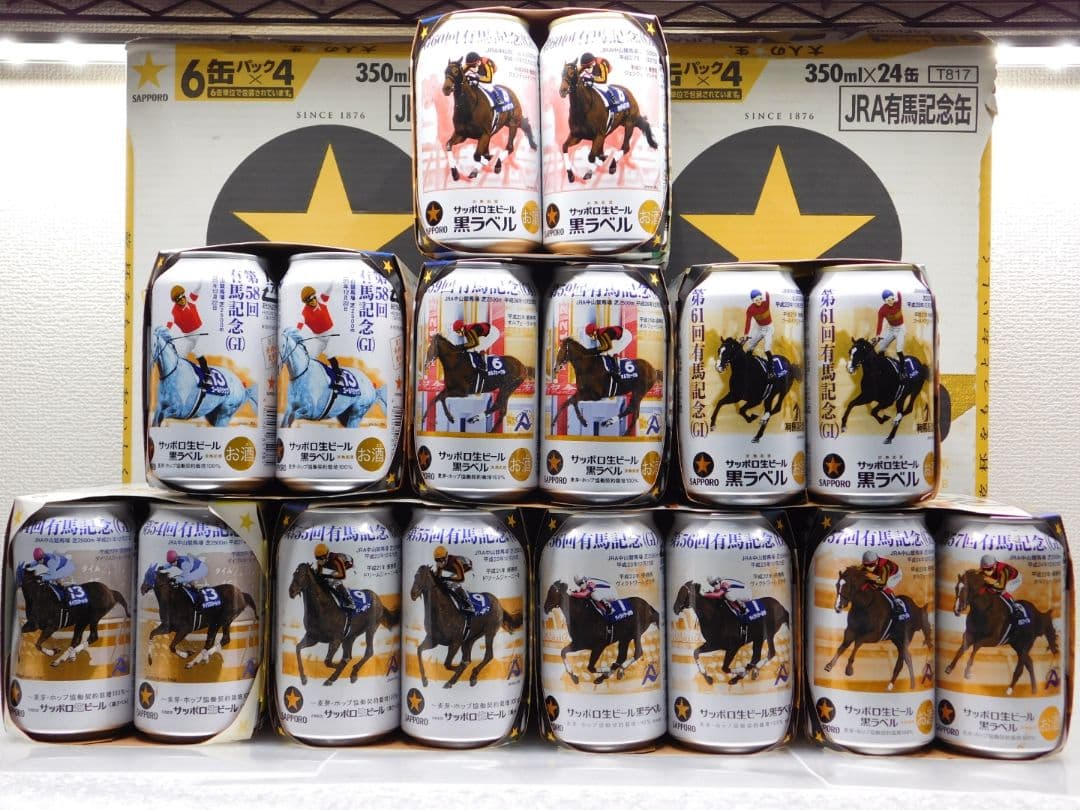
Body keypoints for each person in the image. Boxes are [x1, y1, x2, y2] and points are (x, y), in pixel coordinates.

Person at [297, 284, 345, 391]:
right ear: (306, 302)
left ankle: (339, 378)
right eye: (309, 300)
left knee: (329, 353)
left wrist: (332, 282)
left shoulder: (321, 300)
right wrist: (295, 335)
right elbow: (299, 325)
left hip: (331, 334)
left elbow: (328, 290)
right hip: (319, 338)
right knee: (311, 357)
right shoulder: (304, 313)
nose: (313, 301)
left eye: (313, 297)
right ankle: (312, 379)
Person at [166, 284, 213, 392]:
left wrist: (200, 282)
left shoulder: (190, 300)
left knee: (197, 351)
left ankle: (208, 377)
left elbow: (196, 290)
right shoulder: (173, 312)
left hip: (200, 333)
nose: (182, 300)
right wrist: (165, 333)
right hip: (188, 337)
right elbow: (169, 324)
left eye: (183, 297)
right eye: (179, 300)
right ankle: (181, 378)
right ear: (176, 302)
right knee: (181, 356)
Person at [875, 289, 913, 377]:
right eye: (888, 300)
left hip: (901, 329)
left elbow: (899, 295)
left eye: (892, 299)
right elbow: (880, 323)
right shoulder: (882, 310)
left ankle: (902, 371)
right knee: (881, 348)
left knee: (899, 350)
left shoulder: (897, 303)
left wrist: (898, 290)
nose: (891, 302)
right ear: (885, 301)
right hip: (891, 329)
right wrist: (878, 335)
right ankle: (881, 367)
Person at [979, 554, 1026, 622]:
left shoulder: (1003, 570)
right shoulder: (989, 566)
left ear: (995, 565)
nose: (986, 571)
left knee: (1003, 591)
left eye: (989, 569)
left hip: (1015, 580)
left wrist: (989, 586)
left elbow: (1000, 587)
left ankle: (1016, 609)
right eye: (984, 569)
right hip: (1001, 578)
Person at [860, 550, 906, 618]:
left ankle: (898, 605)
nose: (868, 568)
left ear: (876, 561)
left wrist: (869, 581)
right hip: (882, 574)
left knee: (885, 587)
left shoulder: (884, 567)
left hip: (895, 575)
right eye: (866, 565)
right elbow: (858, 569)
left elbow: (882, 583)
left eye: (871, 565)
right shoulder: (870, 563)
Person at [743, 289, 776, 380]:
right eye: (756, 300)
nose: (759, 301)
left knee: (767, 348)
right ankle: (746, 366)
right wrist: (746, 333)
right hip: (759, 327)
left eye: (760, 299)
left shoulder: (766, 303)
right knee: (750, 346)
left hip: (769, 328)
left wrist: (766, 290)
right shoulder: (750, 309)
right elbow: (748, 322)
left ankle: (771, 371)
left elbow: (768, 295)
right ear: (752, 300)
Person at [434, 545, 474, 615]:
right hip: (456, 572)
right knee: (445, 583)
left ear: (446, 556)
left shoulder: (455, 561)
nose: (440, 562)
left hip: (468, 571)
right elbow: (438, 578)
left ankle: (469, 606)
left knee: (454, 584)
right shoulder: (439, 565)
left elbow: (461, 578)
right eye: (437, 560)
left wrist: (446, 578)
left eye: (442, 559)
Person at [314, 542, 354, 611]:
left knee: (334, 580)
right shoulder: (319, 562)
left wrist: (327, 576)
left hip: (348, 565)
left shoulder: (336, 560)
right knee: (326, 579)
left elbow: (342, 576)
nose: (320, 561)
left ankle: (350, 602)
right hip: (336, 567)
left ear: (327, 555)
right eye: (317, 558)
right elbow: (319, 575)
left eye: (322, 558)